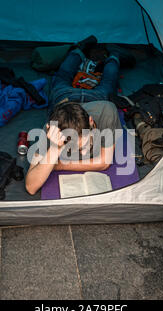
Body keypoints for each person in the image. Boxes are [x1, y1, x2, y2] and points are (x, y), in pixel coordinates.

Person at [25, 37, 135, 195]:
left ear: (91, 122)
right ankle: (80, 49)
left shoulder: (107, 111)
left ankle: (113, 55)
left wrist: (59, 165)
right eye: (73, 148)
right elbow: (31, 187)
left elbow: (104, 163)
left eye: (86, 144)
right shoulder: (53, 131)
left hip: (96, 98)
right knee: (62, 75)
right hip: (64, 97)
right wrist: (55, 149)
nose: (83, 154)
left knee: (109, 80)